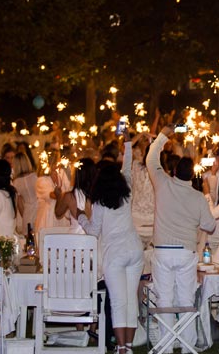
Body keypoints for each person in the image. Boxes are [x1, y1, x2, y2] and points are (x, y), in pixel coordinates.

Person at [147, 125, 216, 353]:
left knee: (164, 299)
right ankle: (187, 345)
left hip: (163, 251)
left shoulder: (163, 184)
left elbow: (151, 159)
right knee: (186, 299)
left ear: (174, 171)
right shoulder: (197, 197)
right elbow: (210, 225)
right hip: (186, 251)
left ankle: (166, 347)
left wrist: (164, 135)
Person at [74, 131, 144, 354]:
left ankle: (122, 348)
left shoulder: (99, 203)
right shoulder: (127, 193)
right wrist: (128, 144)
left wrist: (80, 216)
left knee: (117, 302)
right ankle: (129, 346)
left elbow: (93, 231)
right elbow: (127, 168)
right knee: (131, 301)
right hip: (135, 249)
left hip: (115, 253)